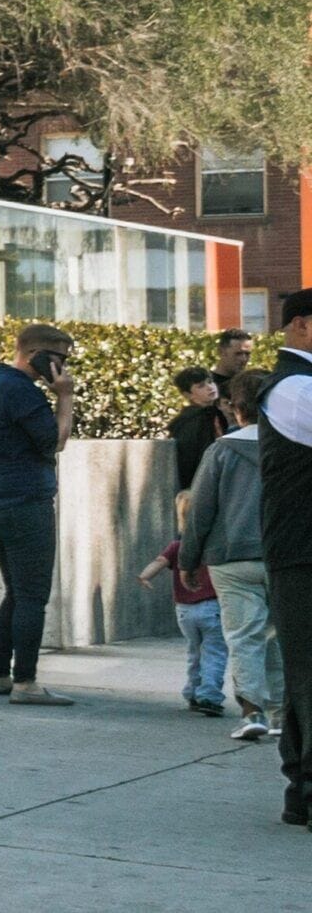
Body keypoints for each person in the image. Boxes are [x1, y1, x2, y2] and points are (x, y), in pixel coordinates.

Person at [0, 320, 78, 705]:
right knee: (32, 593)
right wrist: (64, 396)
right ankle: (25, 683)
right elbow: (55, 442)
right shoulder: (21, 391)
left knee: (16, 590)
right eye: (59, 359)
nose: (63, 368)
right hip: (25, 499)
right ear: (36, 354)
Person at [181, 380, 275, 742]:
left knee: (242, 636)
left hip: (231, 557)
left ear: (237, 408)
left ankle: (253, 711)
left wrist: (189, 559)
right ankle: (284, 711)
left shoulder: (220, 451)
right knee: (281, 635)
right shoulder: (294, 447)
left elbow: (201, 509)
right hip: (283, 555)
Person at [254, 287, 312, 826]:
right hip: (303, 552)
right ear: (301, 327)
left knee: (304, 674)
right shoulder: (296, 387)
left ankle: (302, 787)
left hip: (300, 550)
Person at [142, 535, 230, 717]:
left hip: (184, 610)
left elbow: (159, 561)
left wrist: (145, 576)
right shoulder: (215, 543)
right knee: (214, 651)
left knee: (194, 651)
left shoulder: (177, 546)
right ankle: (209, 696)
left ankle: (192, 692)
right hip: (211, 606)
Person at [168, 365, 229, 492]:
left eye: (210, 382)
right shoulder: (192, 420)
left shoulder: (219, 412)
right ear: (188, 394)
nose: (210, 387)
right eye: (201, 386)